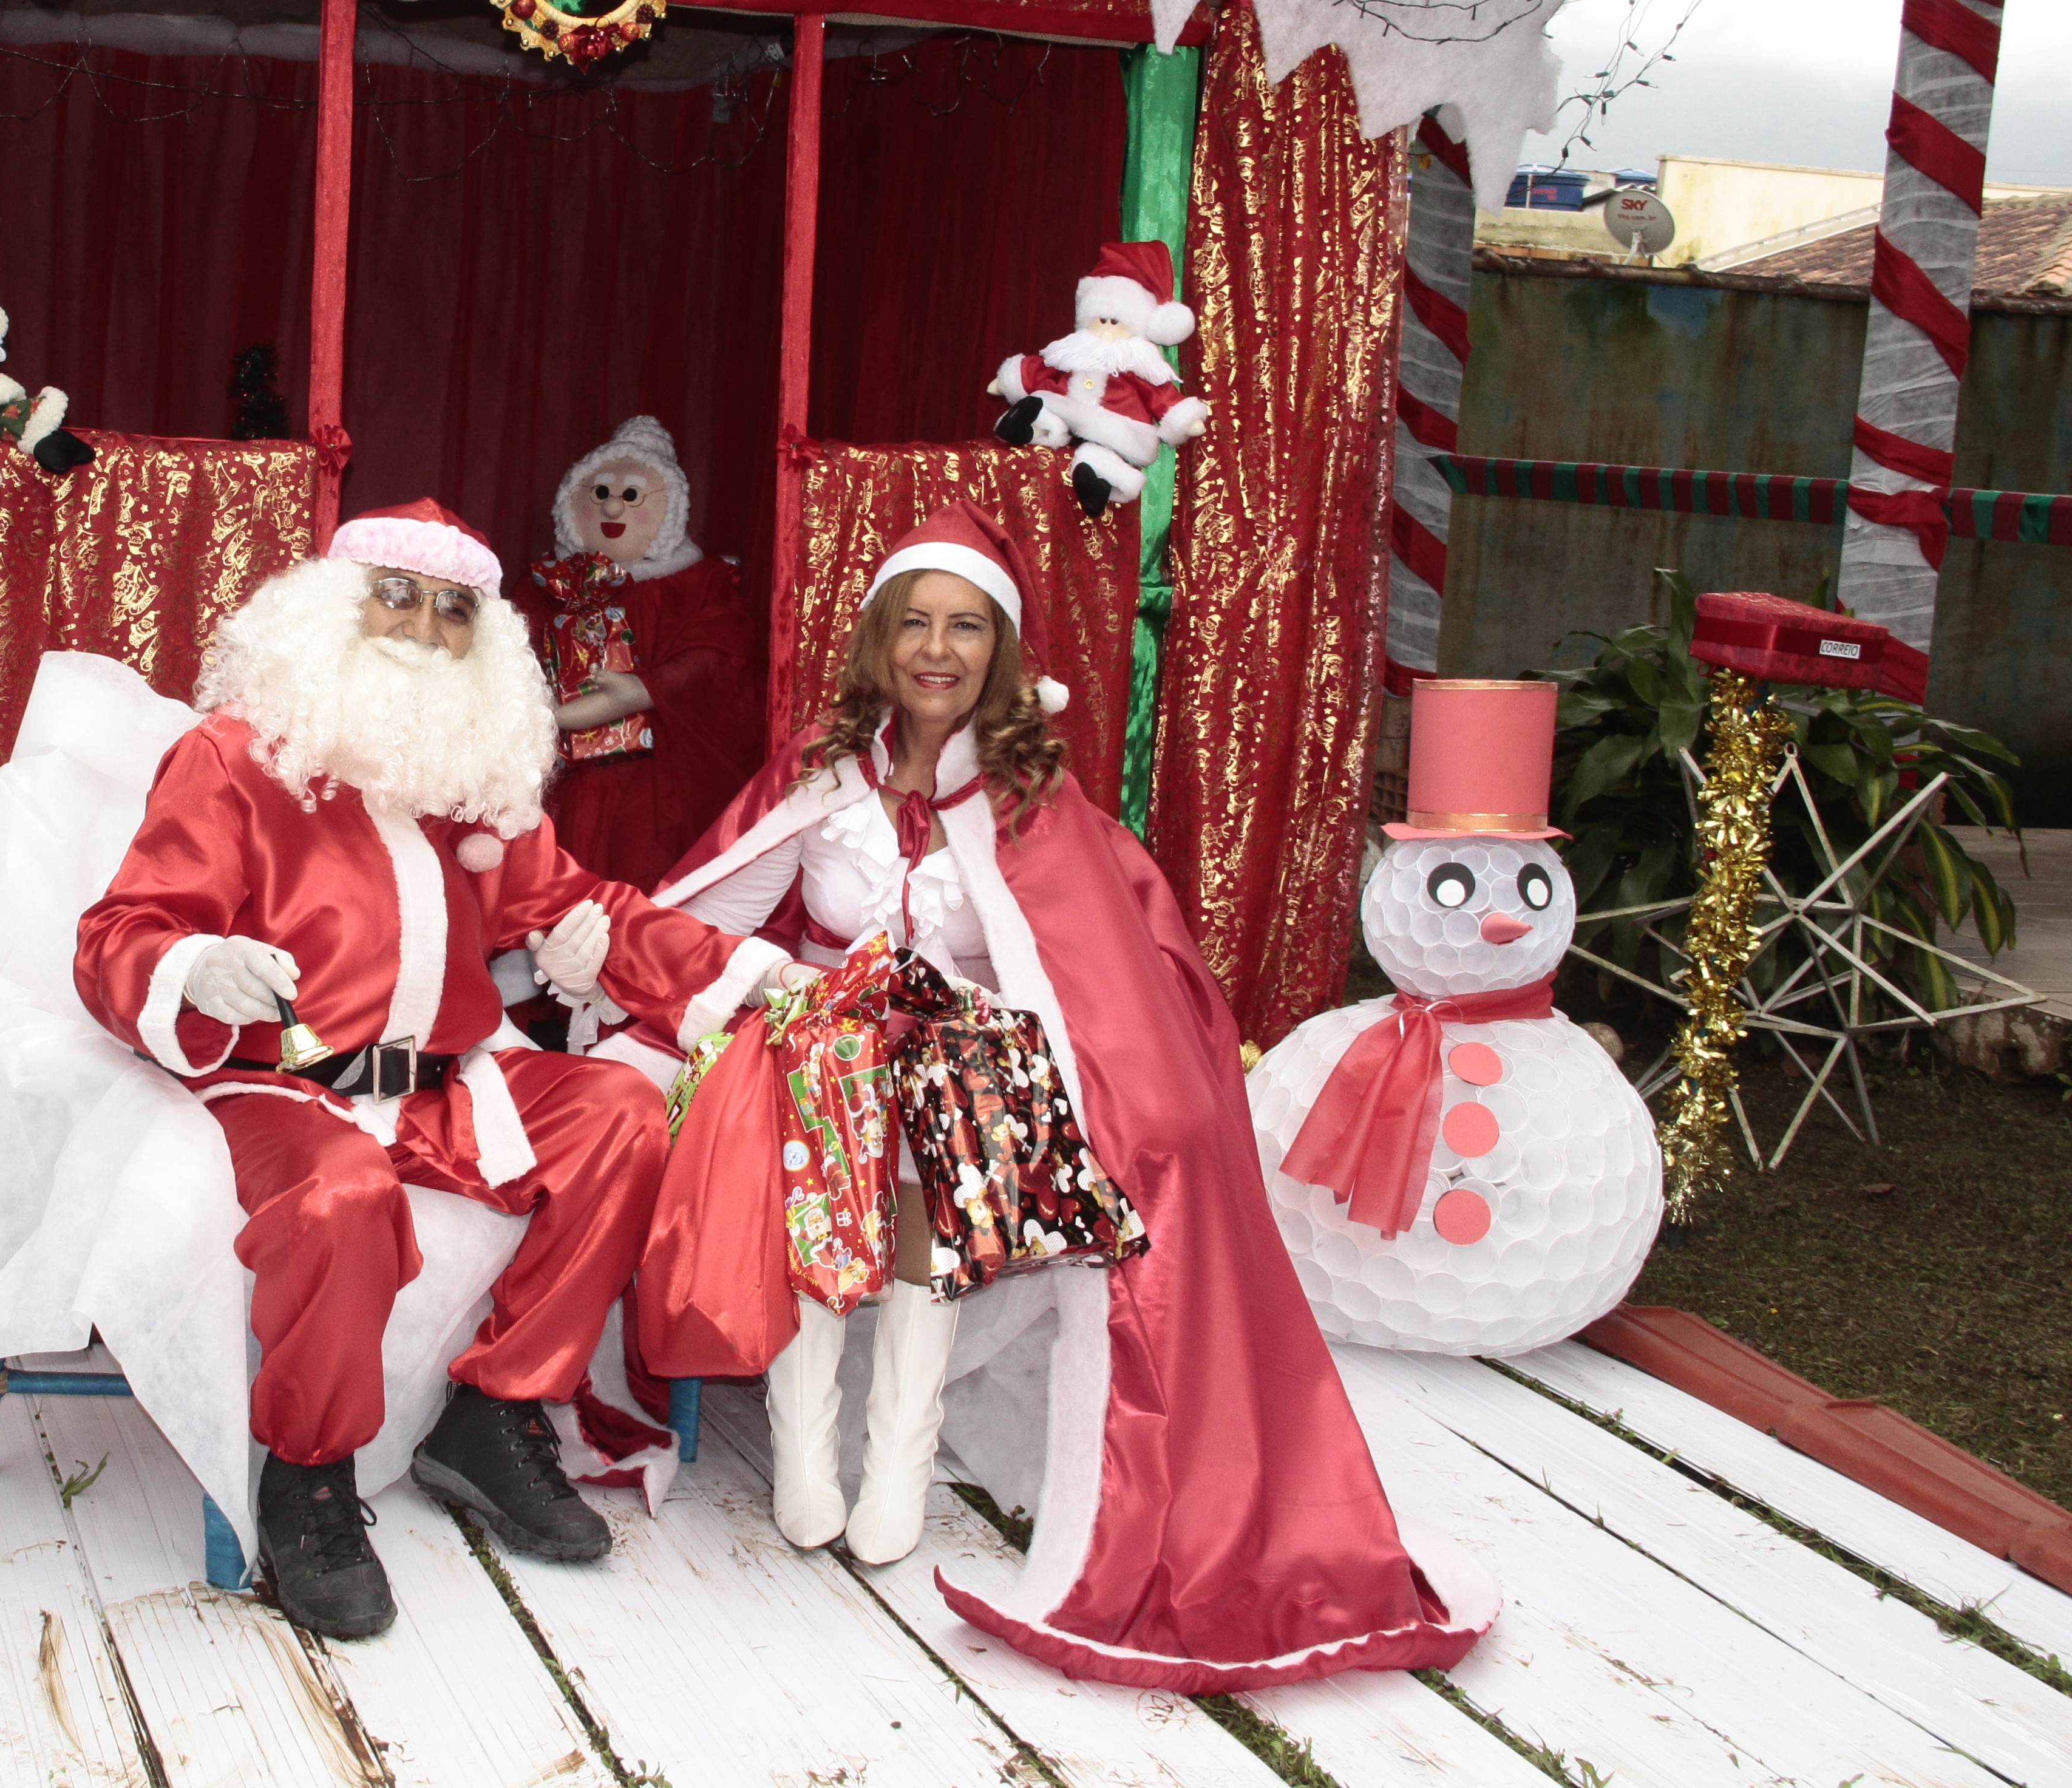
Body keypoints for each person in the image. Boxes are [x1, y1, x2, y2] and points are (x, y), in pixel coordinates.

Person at [610, 503, 1493, 1693]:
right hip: (820, 1039)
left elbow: (1086, 963)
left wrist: (1113, 1088)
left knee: (940, 1107)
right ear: (879, 639)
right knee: (827, 1092)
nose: (937, 647)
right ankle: (806, 1458)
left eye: (966, 626)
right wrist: (675, 999)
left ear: (999, 649)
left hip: (968, 1062)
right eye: (915, 622)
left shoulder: (1026, 796)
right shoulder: (821, 775)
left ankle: (898, 1469)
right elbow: (710, 913)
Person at [75, 499, 792, 1642]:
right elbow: (120, 932)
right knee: (339, 1198)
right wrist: (193, 963)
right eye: (395, 595)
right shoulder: (231, 756)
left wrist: (738, 973)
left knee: (616, 1112)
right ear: (329, 612)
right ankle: (308, 1478)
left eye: (453, 608)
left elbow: (570, 906)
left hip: (447, 1085)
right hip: (283, 1084)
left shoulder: (465, 774)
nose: (419, 626)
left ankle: (498, 1411)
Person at [531, 416, 764, 905]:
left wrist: (643, 690)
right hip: (563, 779)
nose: (613, 506)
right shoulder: (544, 587)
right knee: (553, 871)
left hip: (656, 782)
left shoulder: (698, 586)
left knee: (643, 883)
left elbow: (722, 659)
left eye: (633, 496)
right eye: (600, 494)